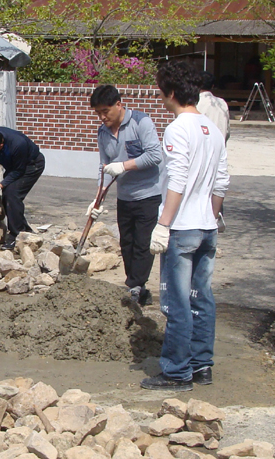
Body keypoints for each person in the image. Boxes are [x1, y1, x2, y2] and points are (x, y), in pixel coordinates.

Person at [145, 61, 228, 391]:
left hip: (182, 228)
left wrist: (163, 224)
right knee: (202, 299)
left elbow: (177, 180)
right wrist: (213, 217)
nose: (162, 99)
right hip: (207, 226)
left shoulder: (178, 129)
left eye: (163, 94)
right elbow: (221, 182)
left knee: (177, 301)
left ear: (174, 93)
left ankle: (177, 372)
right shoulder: (213, 130)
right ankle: (201, 365)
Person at [87, 85, 163, 305]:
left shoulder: (141, 123)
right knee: (127, 243)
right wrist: (97, 198)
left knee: (142, 244)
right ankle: (138, 289)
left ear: (118, 105)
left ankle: (135, 287)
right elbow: (104, 167)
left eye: (105, 111)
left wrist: (124, 166)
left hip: (148, 194)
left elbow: (154, 155)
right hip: (125, 197)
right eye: (98, 113)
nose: (102, 117)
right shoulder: (103, 132)